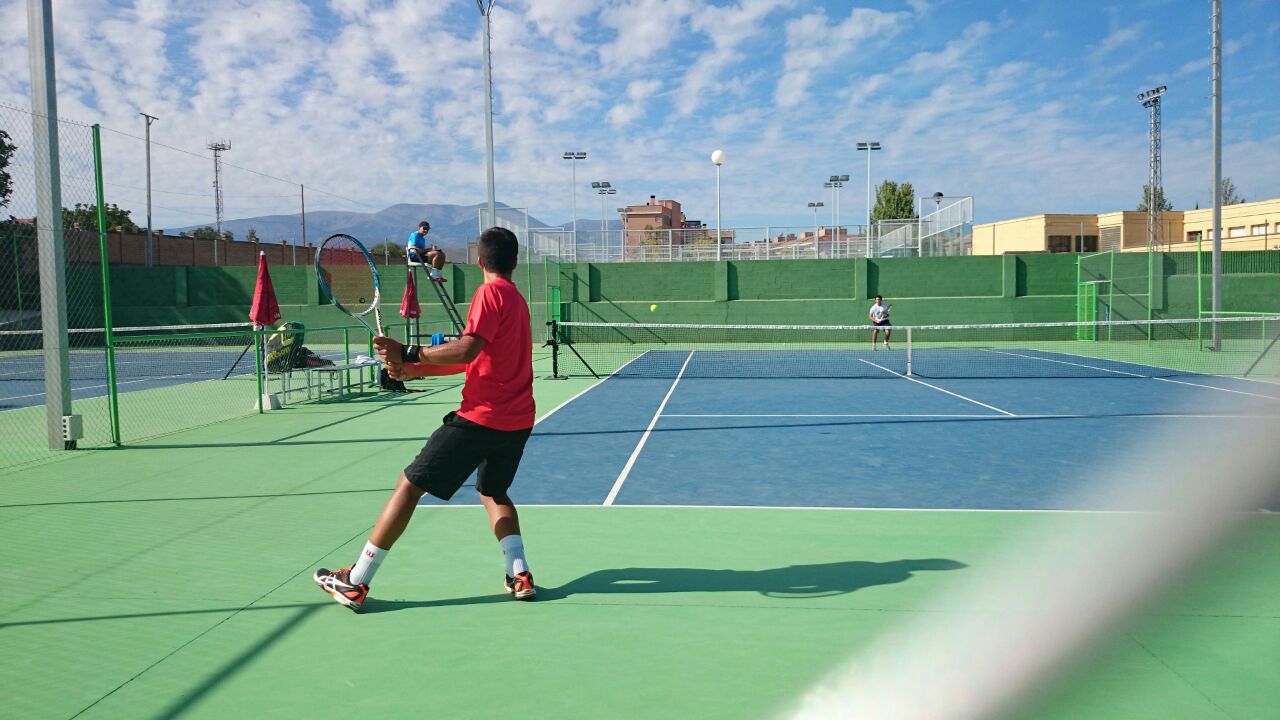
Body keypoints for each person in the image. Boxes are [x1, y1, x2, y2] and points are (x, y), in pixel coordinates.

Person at [314, 227, 537, 610]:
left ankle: (355, 581)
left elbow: (466, 350)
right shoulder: (517, 300)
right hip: (517, 422)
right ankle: (519, 574)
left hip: (481, 420)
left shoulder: (488, 293)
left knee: (408, 485)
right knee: (493, 492)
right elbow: (479, 361)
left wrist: (410, 351)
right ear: (515, 262)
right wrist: (415, 370)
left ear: (480, 261)